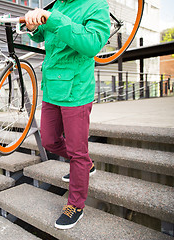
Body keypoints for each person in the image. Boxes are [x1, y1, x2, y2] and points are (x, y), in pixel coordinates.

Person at [24, 0, 111, 230]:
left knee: (76, 152)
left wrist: (54, 19)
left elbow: (92, 44)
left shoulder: (96, 5)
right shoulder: (56, 6)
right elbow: (41, 34)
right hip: (52, 86)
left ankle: (76, 205)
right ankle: (85, 164)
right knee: (50, 140)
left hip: (77, 89)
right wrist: (33, 26)